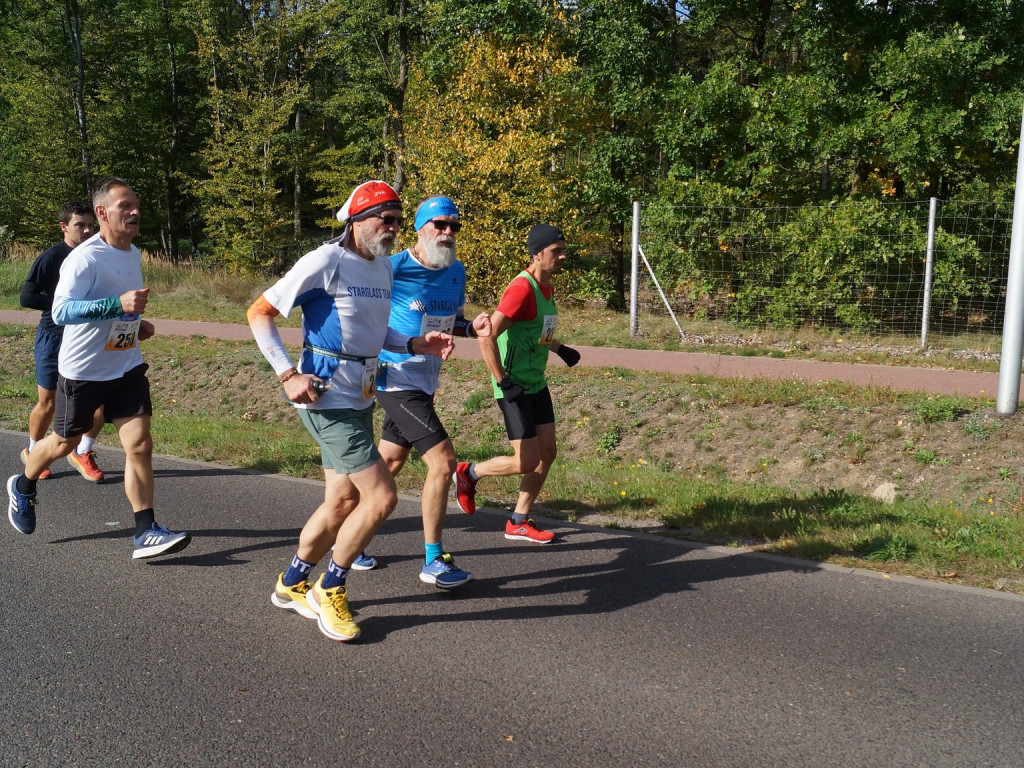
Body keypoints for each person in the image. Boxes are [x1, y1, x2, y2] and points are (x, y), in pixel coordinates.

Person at [248, 180, 454, 643]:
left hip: (360, 394)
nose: (395, 228)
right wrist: (287, 375)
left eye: (400, 221)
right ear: (359, 220)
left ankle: (292, 581)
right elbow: (259, 312)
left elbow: (374, 336)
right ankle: (331, 587)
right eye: (387, 219)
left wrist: (417, 343)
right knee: (379, 498)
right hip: (324, 396)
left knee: (341, 500)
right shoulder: (325, 260)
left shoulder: (381, 268)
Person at [6, 177, 191, 561]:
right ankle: (23, 486)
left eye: (136, 204)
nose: (135, 211)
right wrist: (116, 306)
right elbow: (60, 312)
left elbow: (121, 309)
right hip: (83, 371)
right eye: (125, 206)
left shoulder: (133, 252)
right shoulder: (84, 258)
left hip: (125, 365)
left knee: (140, 445)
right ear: (103, 213)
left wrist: (135, 326)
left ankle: (145, 532)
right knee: (63, 444)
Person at [372, 196, 490, 589]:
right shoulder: (391, 269)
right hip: (395, 377)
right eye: (440, 225)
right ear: (420, 228)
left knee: (388, 464)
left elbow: (452, 323)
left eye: (454, 226)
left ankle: (346, 535)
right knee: (443, 463)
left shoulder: (456, 271)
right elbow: (366, 324)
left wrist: (473, 328)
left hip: (426, 381)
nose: (448, 233)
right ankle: (433, 559)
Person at [452, 223, 581, 543]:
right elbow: (487, 335)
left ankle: (519, 520)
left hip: (536, 381)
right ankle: (468, 473)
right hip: (513, 384)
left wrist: (559, 348)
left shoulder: (546, 287)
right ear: (537, 254)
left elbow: (537, 328)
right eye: (556, 251)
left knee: (547, 452)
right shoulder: (521, 288)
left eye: (564, 250)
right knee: (526, 460)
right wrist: (502, 380)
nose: (563, 256)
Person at [19, 201, 106, 483]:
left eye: (90, 225)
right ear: (64, 227)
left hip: (88, 338)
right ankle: (34, 451)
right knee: (48, 402)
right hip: (54, 337)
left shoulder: (98, 255)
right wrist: (62, 305)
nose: (87, 230)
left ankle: (83, 450)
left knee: (99, 402)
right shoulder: (51, 257)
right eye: (80, 225)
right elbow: (27, 297)